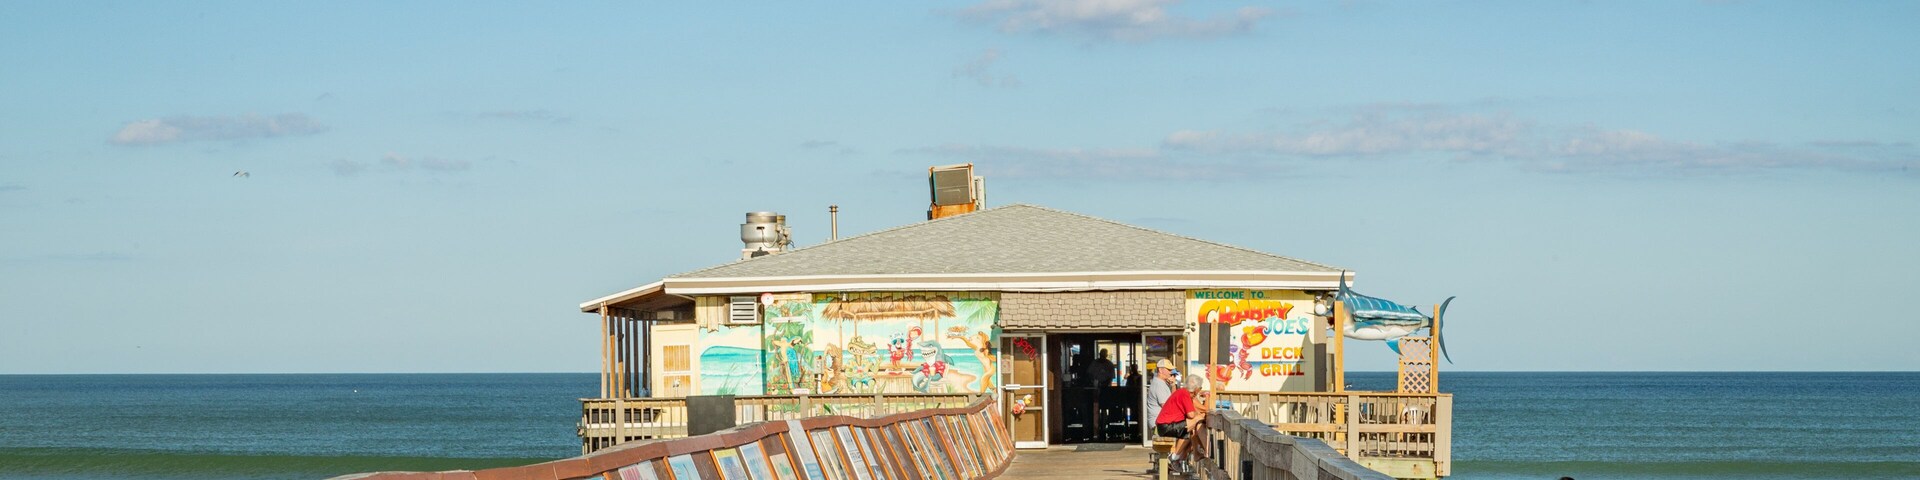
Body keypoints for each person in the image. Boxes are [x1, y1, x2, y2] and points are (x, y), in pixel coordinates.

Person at [1155, 376, 1205, 466]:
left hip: (1164, 425)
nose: (1200, 390)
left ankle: (1184, 458)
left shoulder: (1182, 392)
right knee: (1196, 421)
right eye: (1200, 388)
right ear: (1197, 389)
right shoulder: (1185, 393)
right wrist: (1200, 415)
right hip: (1166, 426)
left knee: (1192, 430)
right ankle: (1174, 458)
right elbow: (1191, 415)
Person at [1143, 360, 1174, 436]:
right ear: (1160, 370)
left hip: (1162, 422)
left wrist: (1173, 385)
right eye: (1169, 370)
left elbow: (1173, 399)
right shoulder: (1159, 385)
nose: (1171, 372)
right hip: (1160, 424)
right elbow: (1166, 406)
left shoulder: (1161, 383)